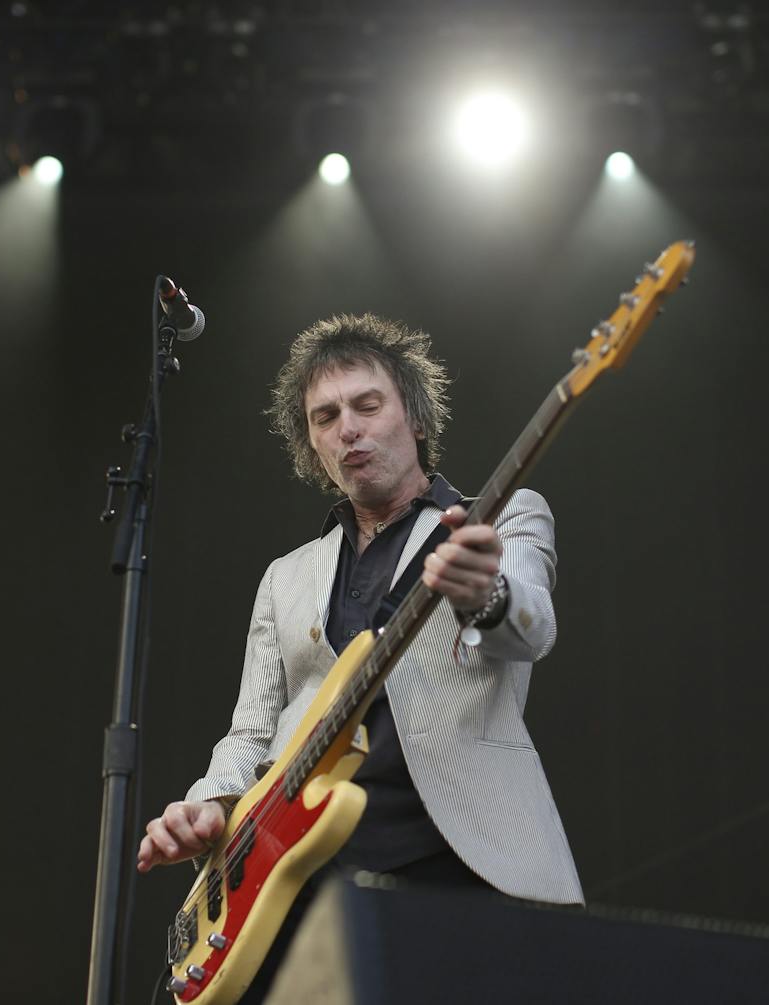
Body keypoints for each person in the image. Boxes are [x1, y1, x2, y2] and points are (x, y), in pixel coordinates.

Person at [137, 314, 581, 987]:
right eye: (325, 416)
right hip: (298, 868)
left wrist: (486, 592)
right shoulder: (287, 576)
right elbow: (251, 730)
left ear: (418, 419)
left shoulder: (500, 518)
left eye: (367, 405)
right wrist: (212, 801)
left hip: (454, 857)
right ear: (312, 444)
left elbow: (532, 624)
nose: (348, 427)